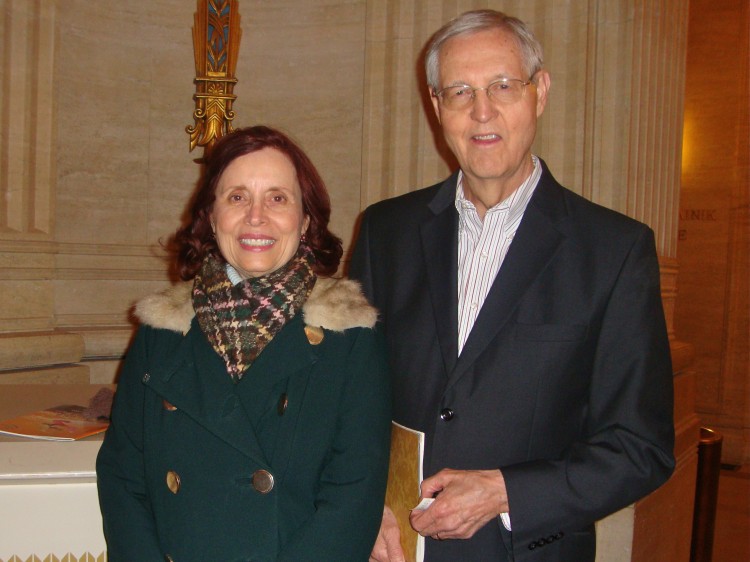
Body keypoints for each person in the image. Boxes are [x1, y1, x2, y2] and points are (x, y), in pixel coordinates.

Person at [349, 9, 675, 562]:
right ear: (436, 107)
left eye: (503, 85)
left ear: (540, 91)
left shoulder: (614, 251)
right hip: (393, 549)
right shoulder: (386, 231)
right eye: (460, 91)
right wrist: (363, 506)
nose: (482, 111)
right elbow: (347, 398)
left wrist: (506, 491)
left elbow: (640, 448)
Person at [97, 125, 392, 561]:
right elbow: (123, 477)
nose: (256, 216)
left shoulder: (350, 341)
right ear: (212, 217)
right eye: (237, 197)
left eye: (278, 198)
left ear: (305, 220)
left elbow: (352, 497)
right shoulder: (161, 334)